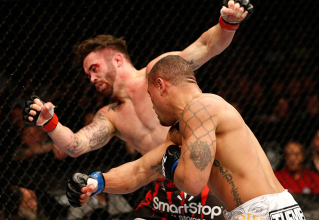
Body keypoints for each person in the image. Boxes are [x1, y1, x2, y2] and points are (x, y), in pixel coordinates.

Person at [24, 1, 254, 219]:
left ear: (116, 59)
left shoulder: (159, 71)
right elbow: (75, 145)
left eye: (94, 68)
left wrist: (228, 24)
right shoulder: (111, 114)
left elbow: (205, 47)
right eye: (88, 75)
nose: (92, 78)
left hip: (204, 180)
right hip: (164, 190)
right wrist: (49, 123)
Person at [67, 55, 306, 220]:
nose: (152, 106)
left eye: (151, 96)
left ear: (161, 86)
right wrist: (97, 182)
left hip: (260, 212)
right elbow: (141, 170)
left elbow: (191, 183)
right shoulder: (185, 128)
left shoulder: (200, 109)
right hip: (270, 210)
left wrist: (171, 166)